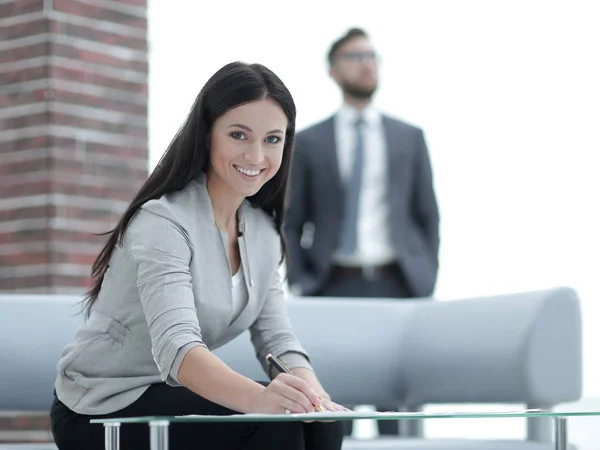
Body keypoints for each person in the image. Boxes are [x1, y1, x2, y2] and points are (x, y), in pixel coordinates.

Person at [49, 61, 346, 450]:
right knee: (275, 425)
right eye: (239, 135)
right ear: (207, 135)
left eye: (273, 139)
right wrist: (259, 400)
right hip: (101, 405)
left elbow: (276, 338)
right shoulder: (163, 221)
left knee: (322, 425)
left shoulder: (261, 232)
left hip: (170, 395)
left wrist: (317, 400)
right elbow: (178, 350)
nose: (257, 155)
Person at [284, 28, 440, 436]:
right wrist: (301, 280)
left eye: (372, 55)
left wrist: (426, 278)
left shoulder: (409, 137)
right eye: (355, 56)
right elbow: (291, 219)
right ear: (334, 71)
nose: (367, 63)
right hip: (332, 287)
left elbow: (428, 216)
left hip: (399, 285)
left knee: (401, 415)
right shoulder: (310, 142)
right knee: (335, 410)